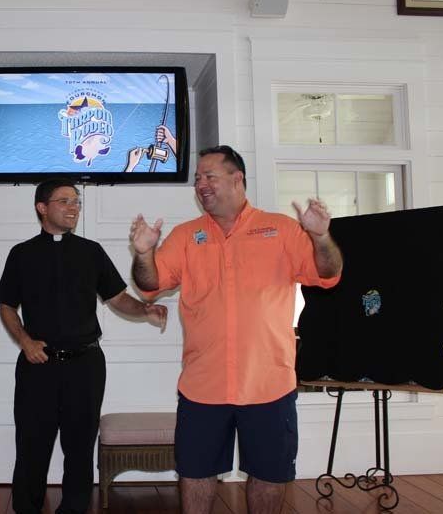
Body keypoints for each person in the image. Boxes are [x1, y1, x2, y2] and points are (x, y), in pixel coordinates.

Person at [130, 146, 343, 514]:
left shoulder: (281, 229)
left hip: (269, 385)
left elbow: (327, 274)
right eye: (197, 179)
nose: (201, 185)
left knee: (269, 475)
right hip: (203, 387)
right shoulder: (185, 236)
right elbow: (149, 284)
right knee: (196, 474)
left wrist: (321, 237)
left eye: (209, 176)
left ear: (237, 178)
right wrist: (144, 253)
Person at [0, 178, 168, 514]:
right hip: (37, 365)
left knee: (79, 447)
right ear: (42, 208)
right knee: (31, 447)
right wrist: (25, 341)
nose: (73, 208)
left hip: (85, 366)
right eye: (64, 201)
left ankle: (74, 509)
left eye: (76, 201)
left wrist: (144, 309)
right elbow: (6, 307)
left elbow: (118, 299)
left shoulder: (91, 252)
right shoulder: (21, 254)